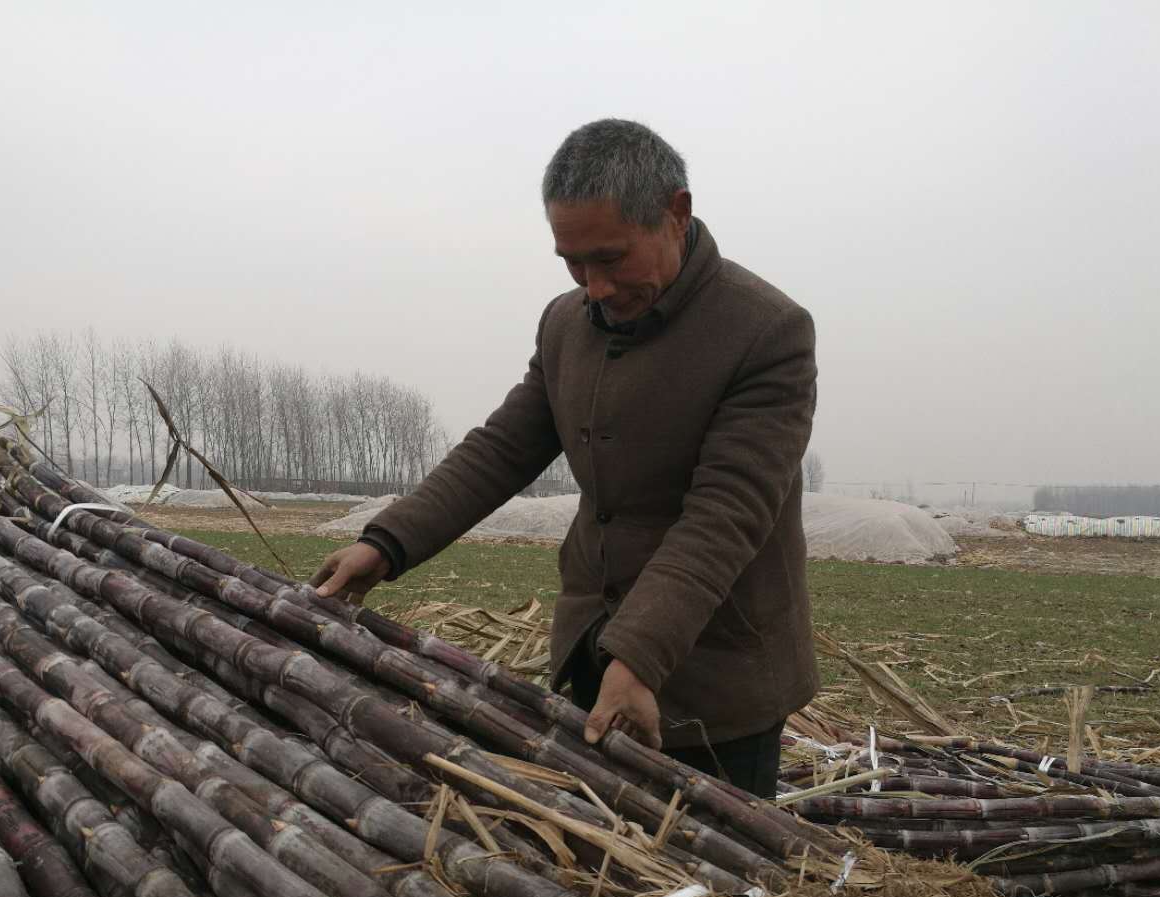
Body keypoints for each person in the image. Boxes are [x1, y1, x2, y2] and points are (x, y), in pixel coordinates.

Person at [312, 118, 817, 798]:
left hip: (713, 677)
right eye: (573, 263)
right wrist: (387, 541)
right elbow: (501, 449)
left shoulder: (765, 332)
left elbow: (726, 515)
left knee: (717, 885)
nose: (594, 286)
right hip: (592, 651)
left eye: (611, 258)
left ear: (676, 214)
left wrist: (640, 654)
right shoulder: (565, 323)